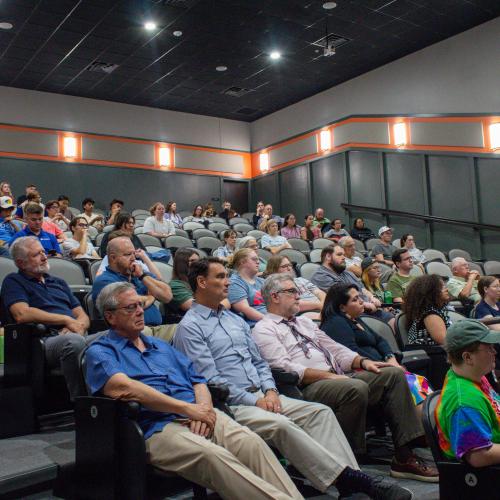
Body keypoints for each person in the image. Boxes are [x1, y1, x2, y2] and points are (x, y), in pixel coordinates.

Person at [174, 259, 413, 499]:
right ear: (202, 282)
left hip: (264, 394)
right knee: (282, 424)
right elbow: (210, 380)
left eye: (227, 276)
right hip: (230, 403)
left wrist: (269, 391)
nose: (227, 282)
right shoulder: (191, 326)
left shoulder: (234, 320)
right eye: (220, 277)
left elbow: (259, 363)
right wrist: (254, 400)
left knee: (320, 413)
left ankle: (352, 480)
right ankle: (356, 482)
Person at [86, 282, 303, 500]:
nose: (140, 311)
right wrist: (188, 409)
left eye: (140, 305)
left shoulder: (160, 346)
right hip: (158, 426)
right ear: (110, 316)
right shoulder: (101, 351)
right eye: (130, 307)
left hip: (200, 412)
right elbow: (123, 387)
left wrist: (203, 409)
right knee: (213, 456)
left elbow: (198, 380)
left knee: (251, 443)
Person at [253, 275, 437, 483]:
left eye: (297, 291)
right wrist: (329, 376)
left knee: (393, 374)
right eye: (292, 291)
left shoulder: (304, 322)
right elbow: (284, 367)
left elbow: (336, 349)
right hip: (307, 386)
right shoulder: (264, 328)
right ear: (275, 297)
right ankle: (350, 462)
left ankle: (404, 455)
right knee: (354, 387)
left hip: (338, 377)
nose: (298, 295)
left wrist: (363, 362)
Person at [1, 236, 92, 399]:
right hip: (44, 340)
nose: (44, 256)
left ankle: (115, 401)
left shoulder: (58, 282)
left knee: (117, 335)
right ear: (21, 263)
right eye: (36, 254)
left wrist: (78, 326)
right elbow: (22, 314)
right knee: (74, 342)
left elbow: (82, 314)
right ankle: (82, 403)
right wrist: (66, 320)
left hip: (76, 333)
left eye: (43, 251)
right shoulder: (13, 281)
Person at [320, 283, 432, 411]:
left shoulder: (355, 319)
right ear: (342, 307)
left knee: (419, 382)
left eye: (359, 297)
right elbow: (351, 352)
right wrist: (387, 365)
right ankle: (426, 424)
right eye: (355, 300)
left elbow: (380, 340)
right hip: (361, 373)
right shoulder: (335, 323)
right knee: (412, 385)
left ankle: (431, 422)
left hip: (381, 367)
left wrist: (390, 358)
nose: (362, 301)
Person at [436, 319, 500, 466]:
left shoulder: (472, 376)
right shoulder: (465, 402)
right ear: (468, 357)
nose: (494, 351)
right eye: (489, 348)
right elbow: (479, 456)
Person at [92, 236, 173, 340]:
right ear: (113, 258)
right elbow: (130, 305)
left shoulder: (139, 273)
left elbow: (167, 296)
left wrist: (142, 276)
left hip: (157, 329)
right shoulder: (104, 280)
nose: (133, 258)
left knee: (183, 330)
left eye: (133, 253)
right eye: (128, 254)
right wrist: (151, 296)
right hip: (131, 334)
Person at [404, 274, 451, 346]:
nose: (447, 289)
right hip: (430, 354)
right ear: (430, 292)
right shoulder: (430, 315)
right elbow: (446, 342)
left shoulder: (434, 310)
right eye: (442, 287)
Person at [228, 248, 266, 326]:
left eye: (258, 259)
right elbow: (245, 310)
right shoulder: (234, 283)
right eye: (254, 259)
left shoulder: (262, 281)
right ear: (242, 262)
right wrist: (271, 321)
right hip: (257, 325)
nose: (258, 262)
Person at [167, 248, 200, 316]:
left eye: (199, 261)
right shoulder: (175, 285)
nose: (198, 264)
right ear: (181, 264)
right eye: (192, 261)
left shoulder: (200, 282)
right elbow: (191, 306)